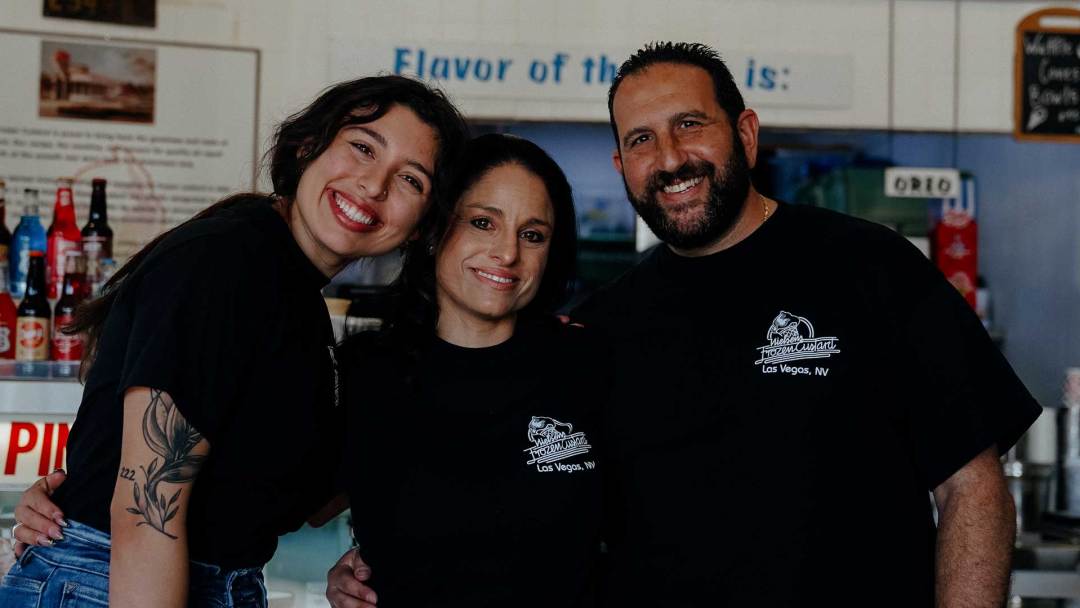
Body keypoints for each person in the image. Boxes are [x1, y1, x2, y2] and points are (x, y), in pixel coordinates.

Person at [327, 42, 1041, 608]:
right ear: (621, 164)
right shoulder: (600, 330)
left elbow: (973, 487)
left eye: (688, 125)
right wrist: (382, 563)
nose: (667, 158)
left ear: (746, 133)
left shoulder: (868, 266)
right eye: (641, 139)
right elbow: (528, 509)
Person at [0, 75, 468, 607]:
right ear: (308, 146)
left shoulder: (296, 299)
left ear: (421, 225)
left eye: (410, 180)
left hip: (197, 581)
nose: (373, 185)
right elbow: (146, 517)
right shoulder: (228, 262)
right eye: (362, 147)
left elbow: (295, 501)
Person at [336, 133, 607, 606]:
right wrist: (349, 573)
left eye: (533, 235)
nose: (507, 253)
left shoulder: (589, 364)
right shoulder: (363, 372)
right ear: (434, 228)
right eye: (483, 222)